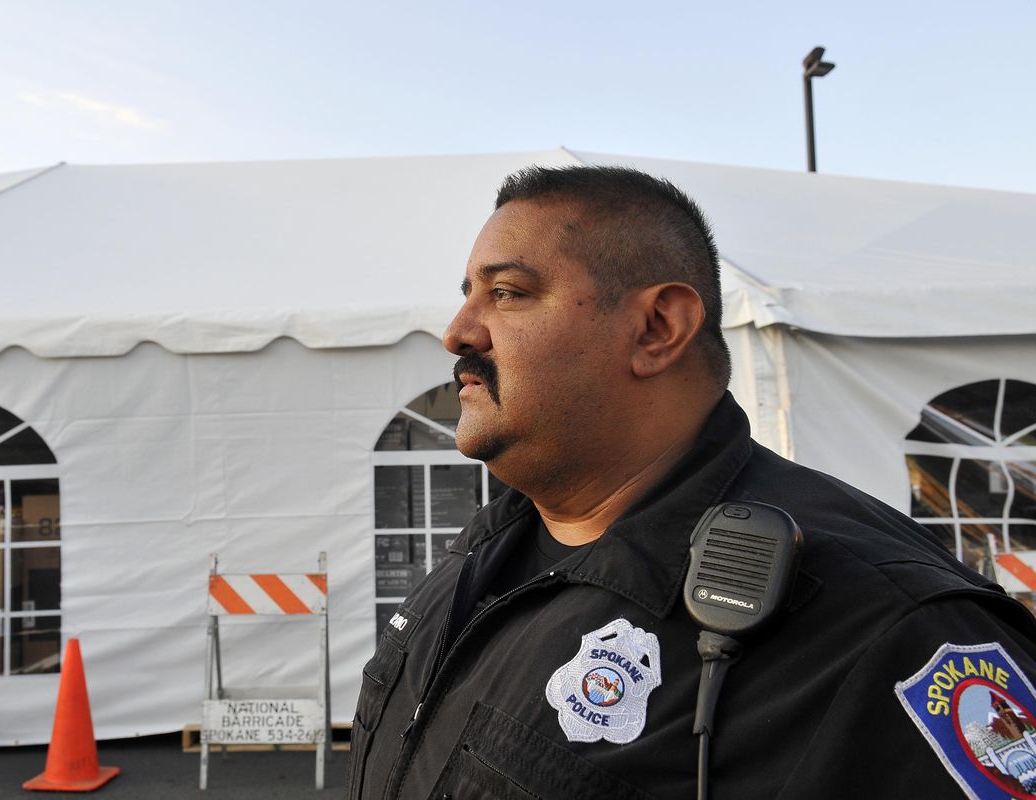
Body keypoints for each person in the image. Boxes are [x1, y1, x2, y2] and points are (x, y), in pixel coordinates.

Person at [348, 166, 1036, 800]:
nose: (458, 331)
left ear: (657, 328)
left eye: (507, 293)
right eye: (467, 295)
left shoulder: (879, 627)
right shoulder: (483, 550)